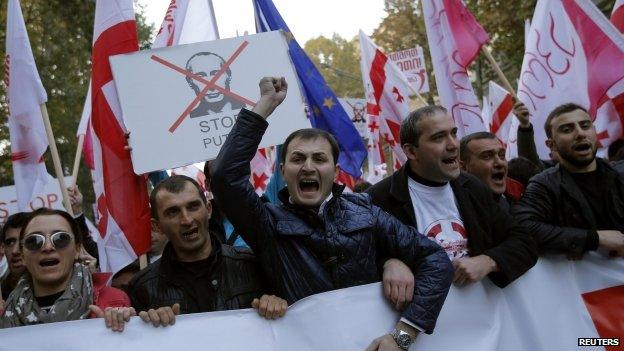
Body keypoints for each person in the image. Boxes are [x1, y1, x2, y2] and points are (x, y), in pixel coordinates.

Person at [212, 77, 453, 351]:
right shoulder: (266, 222)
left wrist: (403, 335)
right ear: (282, 171)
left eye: (319, 159)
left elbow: (435, 259)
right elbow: (224, 177)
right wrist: (264, 106)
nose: (308, 167)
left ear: (336, 172)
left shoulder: (365, 211)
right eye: (298, 158)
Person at [367, 105, 537, 289]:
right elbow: (355, 260)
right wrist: (388, 263)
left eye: (454, 133)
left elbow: (524, 242)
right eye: (439, 137)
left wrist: (488, 261)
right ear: (411, 151)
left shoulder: (472, 187)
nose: (453, 144)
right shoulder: (377, 200)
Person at [127, 175, 289, 327]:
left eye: (193, 207)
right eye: (173, 212)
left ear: (208, 209)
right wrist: (149, 325)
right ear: (157, 226)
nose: (187, 220)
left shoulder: (253, 265)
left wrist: (278, 304)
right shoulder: (143, 287)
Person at [513, 103, 624, 258]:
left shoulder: (620, 175)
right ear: (552, 145)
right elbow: (523, 227)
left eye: (585, 126)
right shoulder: (544, 185)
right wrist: (594, 238)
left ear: (595, 133)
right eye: (567, 129)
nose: (580, 134)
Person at [0, 208, 134, 332]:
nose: (47, 247)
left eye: (60, 238)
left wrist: (118, 331)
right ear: (22, 255)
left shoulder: (113, 301)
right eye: (34, 241)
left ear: (77, 249)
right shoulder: (5, 313)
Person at [459, 132, 516, 210]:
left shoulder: (512, 202)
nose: (500, 163)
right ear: (463, 167)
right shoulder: (458, 211)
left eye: (502, 155)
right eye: (487, 156)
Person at [185, 52, 245, 118]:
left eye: (217, 74)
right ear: (190, 82)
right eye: (200, 76)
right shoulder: (193, 116)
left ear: (228, 76)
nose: (211, 86)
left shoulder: (247, 107)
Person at [0, 212, 29, 300]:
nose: (15, 251)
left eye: (23, 241)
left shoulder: (64, 288)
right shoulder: (2, 294)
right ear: (3, 247)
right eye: (10, 242)